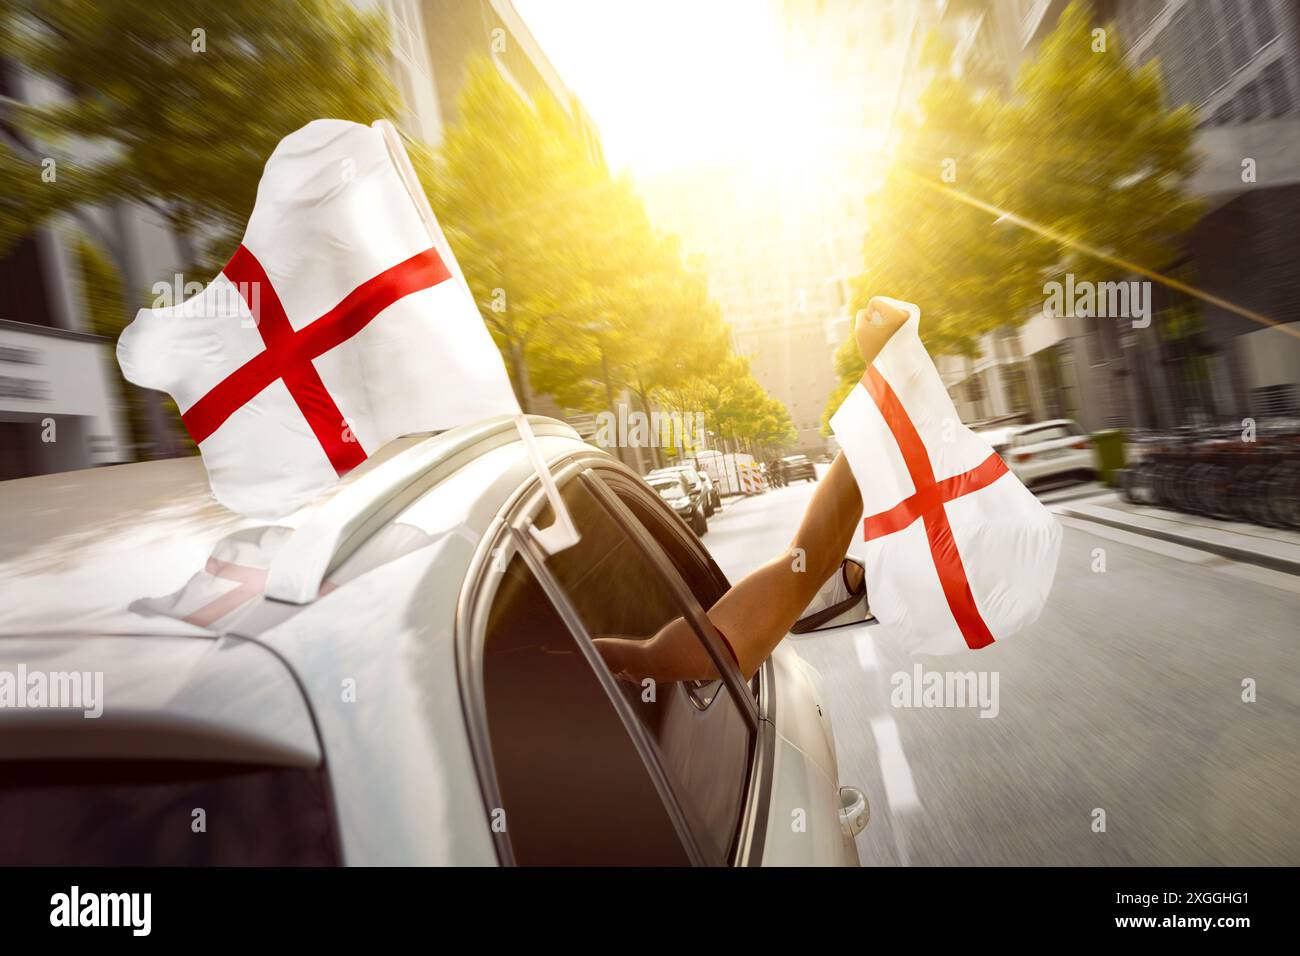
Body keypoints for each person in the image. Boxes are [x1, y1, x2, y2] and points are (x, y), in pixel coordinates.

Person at [595, 297, 909, 682]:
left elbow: (811, 563)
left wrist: (886, 380)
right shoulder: (640, 663)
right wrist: (885, 378)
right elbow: (810, 563)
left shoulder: (610, 664)